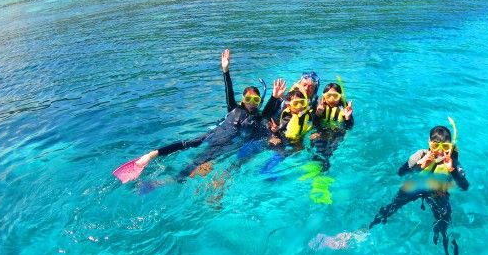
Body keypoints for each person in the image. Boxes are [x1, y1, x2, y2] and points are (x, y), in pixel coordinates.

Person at [136, 49, 285, 179]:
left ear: (259, 102)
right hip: (213, 135)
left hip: (227, 143)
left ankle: (169, 180)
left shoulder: (258, 117)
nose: (252, 102)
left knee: (199, 161)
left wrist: (275, 97)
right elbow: (229, 90)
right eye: (248, 99)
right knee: (189, 143)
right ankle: (151, 155)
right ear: (242, 100)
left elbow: (267, 113)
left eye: (256, 100)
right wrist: (225, 71)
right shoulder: (233, 108)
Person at [368, 125, 469, 255]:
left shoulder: (453, 163)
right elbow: (400, 173)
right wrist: (418, 166)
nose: (440, 151)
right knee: (392, 206)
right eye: (435, 146)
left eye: (445, 147)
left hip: (438, 193)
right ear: (429, 143)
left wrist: (452, 170)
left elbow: (464, 186)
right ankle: (368, 228)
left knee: (444, 221)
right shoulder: (420, 155)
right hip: (416, 186)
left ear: (450, 146)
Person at [310, 82, 354, 172]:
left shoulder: (344, 109)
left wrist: (348, 118)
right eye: (329, 95)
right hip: (321, 132)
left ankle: (323, 172)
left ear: (340, 97)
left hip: (338, 133)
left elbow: (349, 127)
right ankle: (315, 168)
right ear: (324, 97)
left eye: (335, 96)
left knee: (328, 152)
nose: (332, 99)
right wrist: (318, 114)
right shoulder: (320, 107)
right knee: (317, 149)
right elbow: (314, 124)